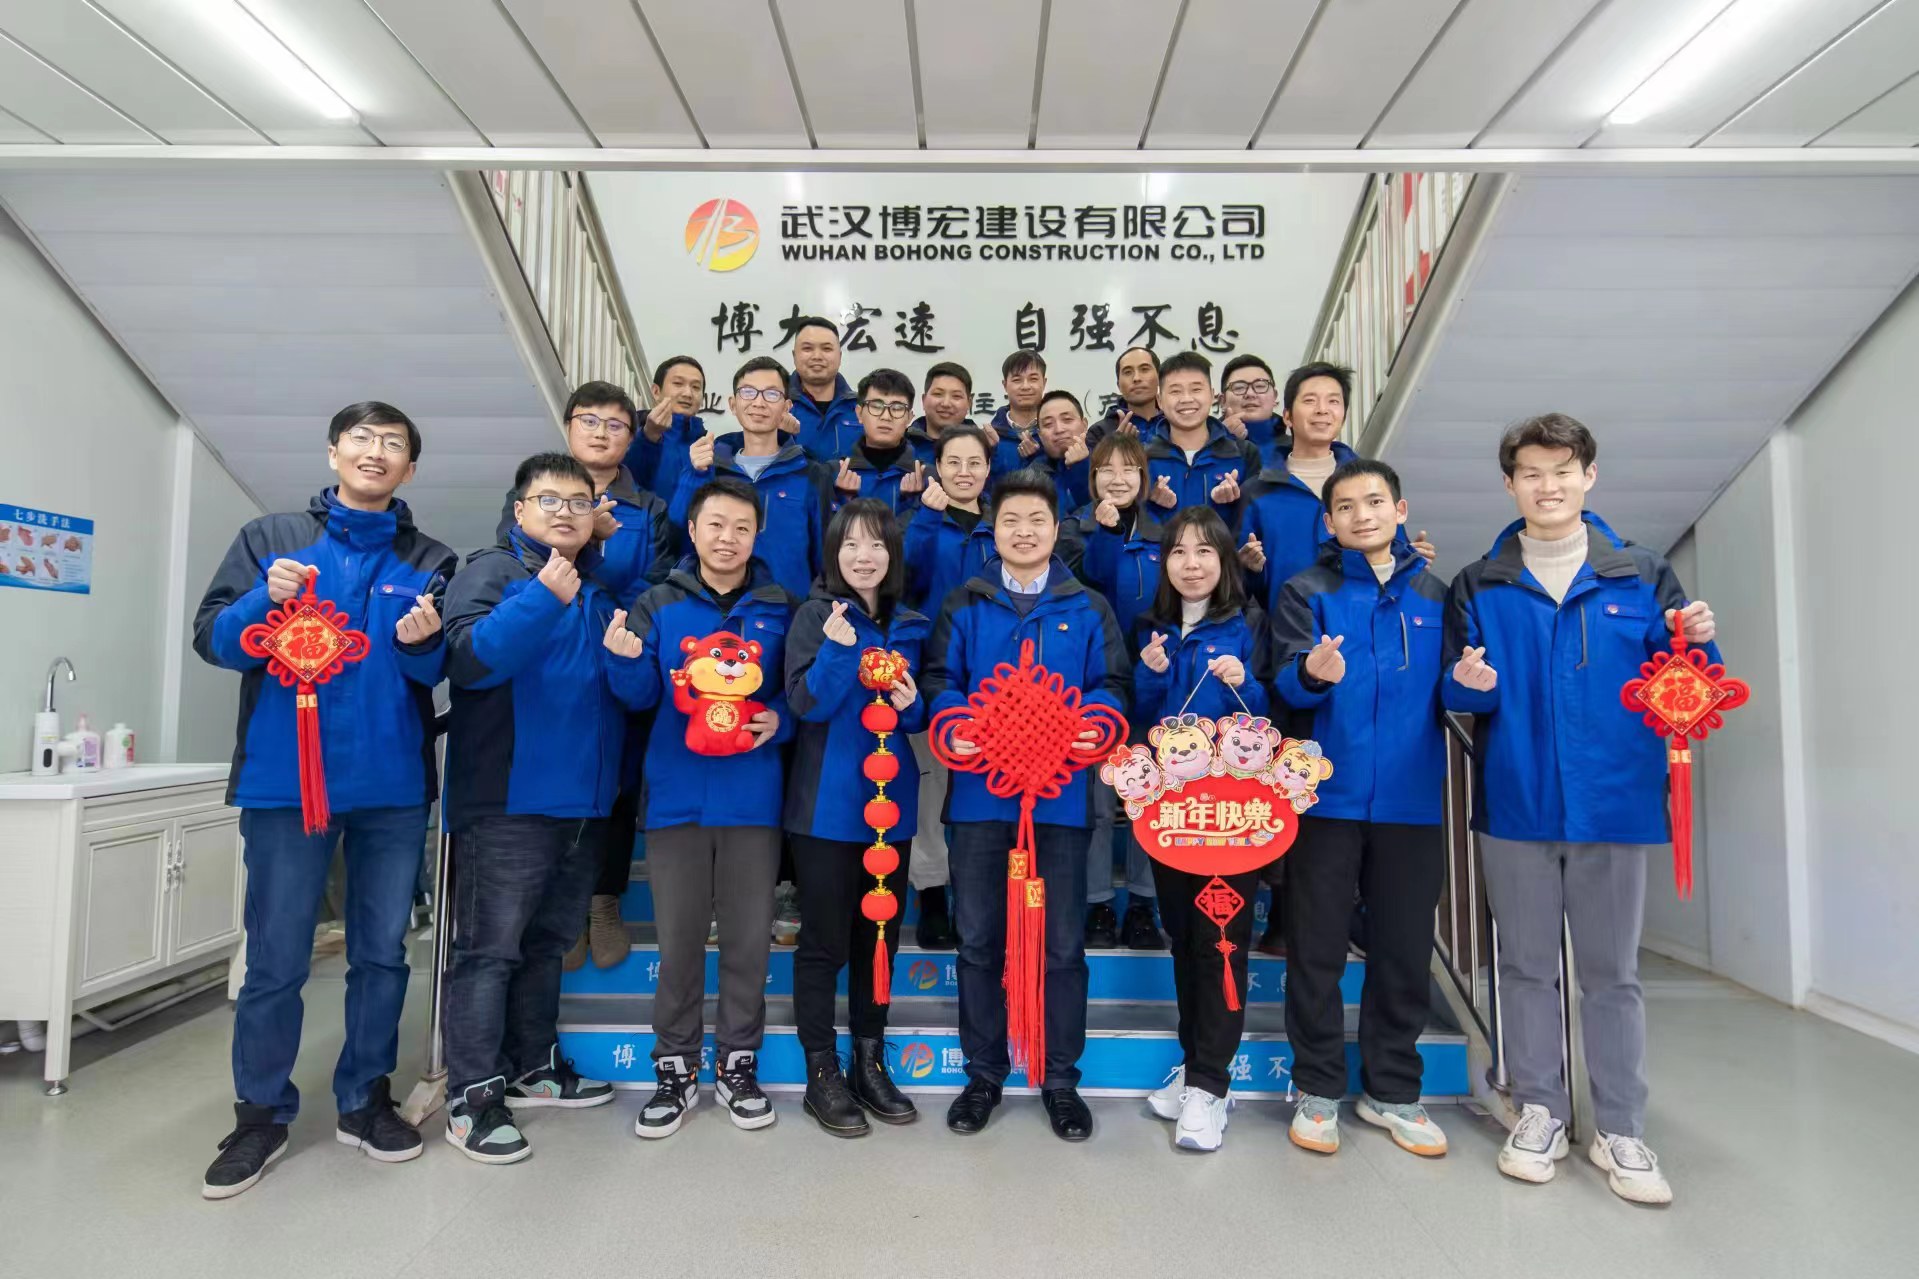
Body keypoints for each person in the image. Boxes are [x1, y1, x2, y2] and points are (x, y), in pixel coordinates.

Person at [1444, 413, 1718, 1207]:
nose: (1547, 485)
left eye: (1561, 470)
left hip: (1614, 803)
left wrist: (1699, 642)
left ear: (1588, 476)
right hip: (1517, 801)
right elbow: (1456, 693)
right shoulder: (1479, 582)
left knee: (1611, 973)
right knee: (1525, 966)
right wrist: (1468, 683)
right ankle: (1540, 1110)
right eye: (1530, 472)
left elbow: (1688, 687)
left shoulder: (1641, 573)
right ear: (1509, 484)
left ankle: (1620, 1127)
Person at [192, 402, 457, 1199]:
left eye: (393, 444)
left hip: (391, 786)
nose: (376, 452)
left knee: (382, 952)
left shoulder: (430, 557)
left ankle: (364, 1098)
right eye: (362, 439)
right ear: (334, 451)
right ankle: (260, 1113)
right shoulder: (270, 539)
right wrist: (260, 601)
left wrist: (423, 643)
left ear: (410, 467)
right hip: (285, 781)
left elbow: (435, 672)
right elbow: (215, 639)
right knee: (276, 956)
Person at [922, 468, 1131, 1143]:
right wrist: (955, 720)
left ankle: (1059, 1078)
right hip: (981, 801)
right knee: (979, 942)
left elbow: (1113, 684)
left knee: (1062, 946)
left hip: (1060, 802)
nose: (1023, 531)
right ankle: (983, 1074)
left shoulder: (1087, 606)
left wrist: (1096, 722)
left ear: (1055, 529)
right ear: (993, 529)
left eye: (1036, 520)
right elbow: (939, 680)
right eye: (1010, 520)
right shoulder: (966, 601)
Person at [440, 452, 627, 1165]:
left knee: (547, 944)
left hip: (582, 801)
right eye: (548, 500)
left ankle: (532, 1064)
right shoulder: (492, 572)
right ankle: (472, 1095)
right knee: (488, 952)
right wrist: (542, 596)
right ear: (519, 510)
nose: (564, 512)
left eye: (578, 502)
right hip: (507, 801)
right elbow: (471, 660)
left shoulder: (592, 589)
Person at [605, 477, 800, 1138]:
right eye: (715, 524)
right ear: (692, 530)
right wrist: (623, 661)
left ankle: (739, 1065)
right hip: (676, 798)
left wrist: (778, 719)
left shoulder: (780, 606)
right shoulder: (658, 602)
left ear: (757, 534)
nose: (727, 538)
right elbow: (637, 697)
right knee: (680, 942)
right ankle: (676, 1069)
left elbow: (796, 692)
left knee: (747, 942)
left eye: (741, 527)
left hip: (753, 799)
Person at [1271, 459, 1450, 1161]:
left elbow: (1460, 689)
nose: (1361, 515)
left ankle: (1393, 1089)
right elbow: (1286, 683)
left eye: (1374, 502)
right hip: (1325, 796)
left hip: (1411, 799)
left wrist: (1475, 687)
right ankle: (1317, 1086)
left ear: (1399, 510)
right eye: (1345, 506)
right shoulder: (1305, 590)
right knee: (1315, 948)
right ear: (1329, 521)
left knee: (1402, 949)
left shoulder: (1435, 593)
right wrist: (1311, 674)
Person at [493, 380, 675, 974]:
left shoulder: (648, 506)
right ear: (569, 426)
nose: (601, 433)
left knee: (616, 780)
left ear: (632, 437)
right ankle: (562, 911)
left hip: (617, 647)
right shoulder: (534, 494)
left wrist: (616, 620)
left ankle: (603, 900)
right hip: (546, 657)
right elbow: (512, 564)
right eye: (589, 421)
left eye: (616, 424)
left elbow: (658, 580)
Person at [783, 500, 930, 1136]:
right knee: (823, 943)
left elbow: (919, 716)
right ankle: (821, 1073)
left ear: (892, 555)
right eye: (850, 545)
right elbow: (804, 704)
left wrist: (914, 704)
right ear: (833, 554)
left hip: (891, 809)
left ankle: (869, 1061)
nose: (863, 556)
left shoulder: (912, 623)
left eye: (876, 545)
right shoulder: (815, 617)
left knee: (880, 939)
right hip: (825, 808)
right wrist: (839, 652)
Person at [1130, 506, 1273, 1152]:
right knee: (1185, 939)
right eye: (1179, 552)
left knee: (1220, 942)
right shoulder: (1150, 629)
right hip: (1167, 814)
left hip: (1230, 819)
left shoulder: (1249, 624)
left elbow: (1270, 715)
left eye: (1205, 551)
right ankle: (1197, 1068)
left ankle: (1211, 1086)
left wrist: (1249, 684)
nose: (1191, 564)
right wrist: (1150, 674)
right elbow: (1138, 717)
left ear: (1224, 560)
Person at [901, 425, 998, 950]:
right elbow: (901, 582)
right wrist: (924, 519)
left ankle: (978, 898)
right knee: (930, 788)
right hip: (931, 674)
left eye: (974, 462)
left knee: (985, 792)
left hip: (995, 683)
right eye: (953, 462)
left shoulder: (1003, 527)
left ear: (988, 469)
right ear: (936, 467)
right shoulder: (918, 519)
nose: (964, 472)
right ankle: (933, 896)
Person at [1073, 430, 1165, 951]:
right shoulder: (1075, 529)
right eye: (1106, 469)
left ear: (1144, 479)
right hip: (1095, 685)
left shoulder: (1166, 535)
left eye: (1128, 469)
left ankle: (1145, 907)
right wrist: (1105, 534)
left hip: (1152, 683)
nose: (1117, 478)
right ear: (1092, 479)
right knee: (1097, 801)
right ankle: (1099, 905)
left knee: (1146, 798)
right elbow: (1093, 583)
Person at [670, 355, 835, 601]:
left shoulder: (810, 474)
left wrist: (813, 613)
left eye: (771, 394)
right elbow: (677, 538)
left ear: (786, 407)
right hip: (718, 610)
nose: (759, 402)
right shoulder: (711, 468)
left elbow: (826, 559)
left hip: (788, 614)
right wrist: (694, 475)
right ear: (733, 404)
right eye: (748, 392)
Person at [1143, 352, 1260, 526]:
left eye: (1196, 389)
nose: (1186, 399)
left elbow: (1257, 523)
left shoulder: (1243, 453)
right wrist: (1150, 504)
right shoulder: (1142, 457)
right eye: (1175, 391)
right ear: (1159, 400)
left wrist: (1232, 505)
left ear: (1212, 395)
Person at [832, 368, 929, 516]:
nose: (886, 417)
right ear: (859, 414)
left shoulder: (926, 476)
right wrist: (844, 499)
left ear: (909, 418)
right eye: (876, 406)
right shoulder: (834, 473)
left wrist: (912, 503)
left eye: (897, 408)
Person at [628, 355, 711, 505]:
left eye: (695, 387)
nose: (687, 393)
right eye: (678, 383)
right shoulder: (629, 433)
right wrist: (649, 437)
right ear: (656, 391)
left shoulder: (708, 447)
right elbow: (626, 481)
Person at [787, 317, 861, 461]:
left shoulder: (862, 409)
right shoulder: (775, 405)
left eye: (826, 349)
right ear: (794, 356)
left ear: (839, 356)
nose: (817, 356)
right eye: (807, 348)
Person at [906, 361, 997, 468]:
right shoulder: (902, 446)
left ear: (969, 403)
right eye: (938, 394)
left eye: (956, 396)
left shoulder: (985, 447)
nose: (946, 404)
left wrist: (991, 452)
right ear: (924, 400)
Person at [1023, 390, 1093, 511]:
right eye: (1048, 424)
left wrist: (1081, 468)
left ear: (1085, 425)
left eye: (1067, 419)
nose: (1059, 429)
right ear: (1040, 435)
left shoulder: (1105, 467)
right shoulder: (1029, 479)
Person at [1088, 345, 1164, 447]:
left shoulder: (1174, 423)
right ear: (1118, 385)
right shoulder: (1099, 432)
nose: (1136, 378)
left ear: (1160, 378)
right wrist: (1116, 449)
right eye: (1128, 372)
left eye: (1144, 369)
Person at [1218, 354, 1285, 468]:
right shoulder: (1200, 446)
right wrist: (1221, 445)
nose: (1250, 394)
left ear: (1274, 397)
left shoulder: (1296, 447)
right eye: (1239, 387)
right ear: (1222, 401)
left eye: (1260, 386)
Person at [988, 349, 1048, 474]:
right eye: (1017, 380)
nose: (1025, 386)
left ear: (1044, 382)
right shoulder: (990, 438)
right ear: (1005, 385)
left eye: (1033, 379)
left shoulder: (1054, 435)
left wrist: (1039, 456)